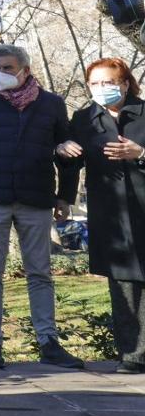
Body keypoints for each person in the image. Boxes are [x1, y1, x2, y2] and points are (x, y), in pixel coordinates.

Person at [0, 44, 83, 370]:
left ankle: (48, 342)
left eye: (7, 68)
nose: (0, 74)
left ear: (24, 69)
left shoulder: (51, 104)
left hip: (36, 197)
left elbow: (66, 152)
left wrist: (65, 197)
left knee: (40, 272)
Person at [56, 58, 145, 373]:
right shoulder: (84, 119)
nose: (102, 89)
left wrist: (141, 154)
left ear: (124, 82)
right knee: (123, 286)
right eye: (95, 84)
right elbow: (71, 165)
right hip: (112, 216)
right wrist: (63, 152)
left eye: (109, 82)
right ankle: (133, 357)